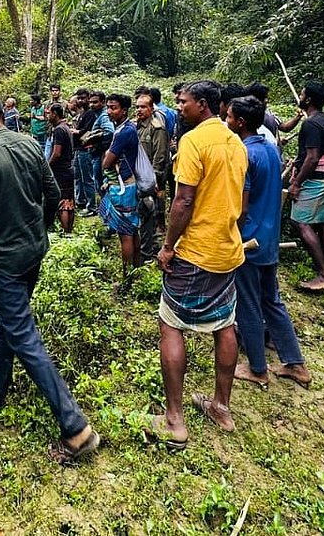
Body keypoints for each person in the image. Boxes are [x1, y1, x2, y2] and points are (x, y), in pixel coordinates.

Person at [0, 93, 99, 464]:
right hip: (33, 251)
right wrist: (41, 228)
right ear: (4, 113)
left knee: (22, 332)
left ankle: (75, 425)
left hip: (4, 260)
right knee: (11, 319)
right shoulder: (29, 143)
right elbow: (52, 193)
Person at [150, 80, 247, 449]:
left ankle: (174, 420)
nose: (178, 107)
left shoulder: (193, 142)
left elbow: (184, 200)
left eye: (183, 102)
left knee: (171, 325)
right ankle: (221, 406)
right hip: (227, 249)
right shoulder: (234, 142)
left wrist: (168, 246)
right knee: (224, 324)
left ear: (203, 105)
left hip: (195, 252)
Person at [226, 96, 311, 390]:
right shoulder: (272, 149)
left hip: (248, 241)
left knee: (248, 305)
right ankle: (294, 363)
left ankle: (257, 368)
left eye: (229, 116)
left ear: (240, 122)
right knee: (271, 300)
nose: (226, 120)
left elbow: (242, 206)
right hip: (270, 239)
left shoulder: (243, 154)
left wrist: (231, 237)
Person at [287, 81, 324, 291]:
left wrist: (296, 183)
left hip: (317, 180)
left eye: (302, 94)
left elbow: (312, 158)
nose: (300, 97)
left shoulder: (311, 124)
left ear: (308, 99)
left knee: (300, 222)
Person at [101, 94, 143, 286]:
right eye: (108, 107)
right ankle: (136, 269)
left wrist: (107, 157)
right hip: (130, 182)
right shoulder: (128, 128)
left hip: (123, 187)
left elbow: (107, 162)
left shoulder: (123, 132)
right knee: (133, 229)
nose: (109, 111)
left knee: (125, 233)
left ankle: (127, 278)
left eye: (114, 108)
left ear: (124, 110)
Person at [135, 92, 170, 264]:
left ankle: (147, 252)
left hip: (151, 180)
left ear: (151, 108)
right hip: (140, 178)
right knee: (144, 214)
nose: (139, 110)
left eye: (142, 107)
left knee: (150, 213)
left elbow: (160, 156)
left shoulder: (157, 128)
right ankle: (151, 245)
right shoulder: (137, 126)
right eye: (137, 107)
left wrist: (153, 181)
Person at [47, 103, 75, 233]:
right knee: (69, 200)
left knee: (63, 201)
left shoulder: (58, 129)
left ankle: (65, 231)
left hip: (61, 170)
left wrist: (47, 166)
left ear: (55, 114)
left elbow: (57, 152)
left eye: (49, 113)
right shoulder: (66, 127)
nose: (48, 116)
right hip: (68, 167)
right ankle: (69, 231)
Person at [73, 89, 99, 215]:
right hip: (78, 149)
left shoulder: (90, 114)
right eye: (79, 98)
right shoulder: (82, 113)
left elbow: (87, 131)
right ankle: (80, 201)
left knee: (87, 178)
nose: (80, 100)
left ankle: (92, 207)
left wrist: (76, 132)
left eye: (83, 98)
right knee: (78, 177)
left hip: (85, 149)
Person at [28, 92, 49, 158]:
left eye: (32, 100)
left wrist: (36, 117)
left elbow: (46, 118)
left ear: (36, 101)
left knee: (42, 148)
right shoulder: (33, 109)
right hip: (34, 132)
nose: (30, 101)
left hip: (42, 132)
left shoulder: (43, 108)